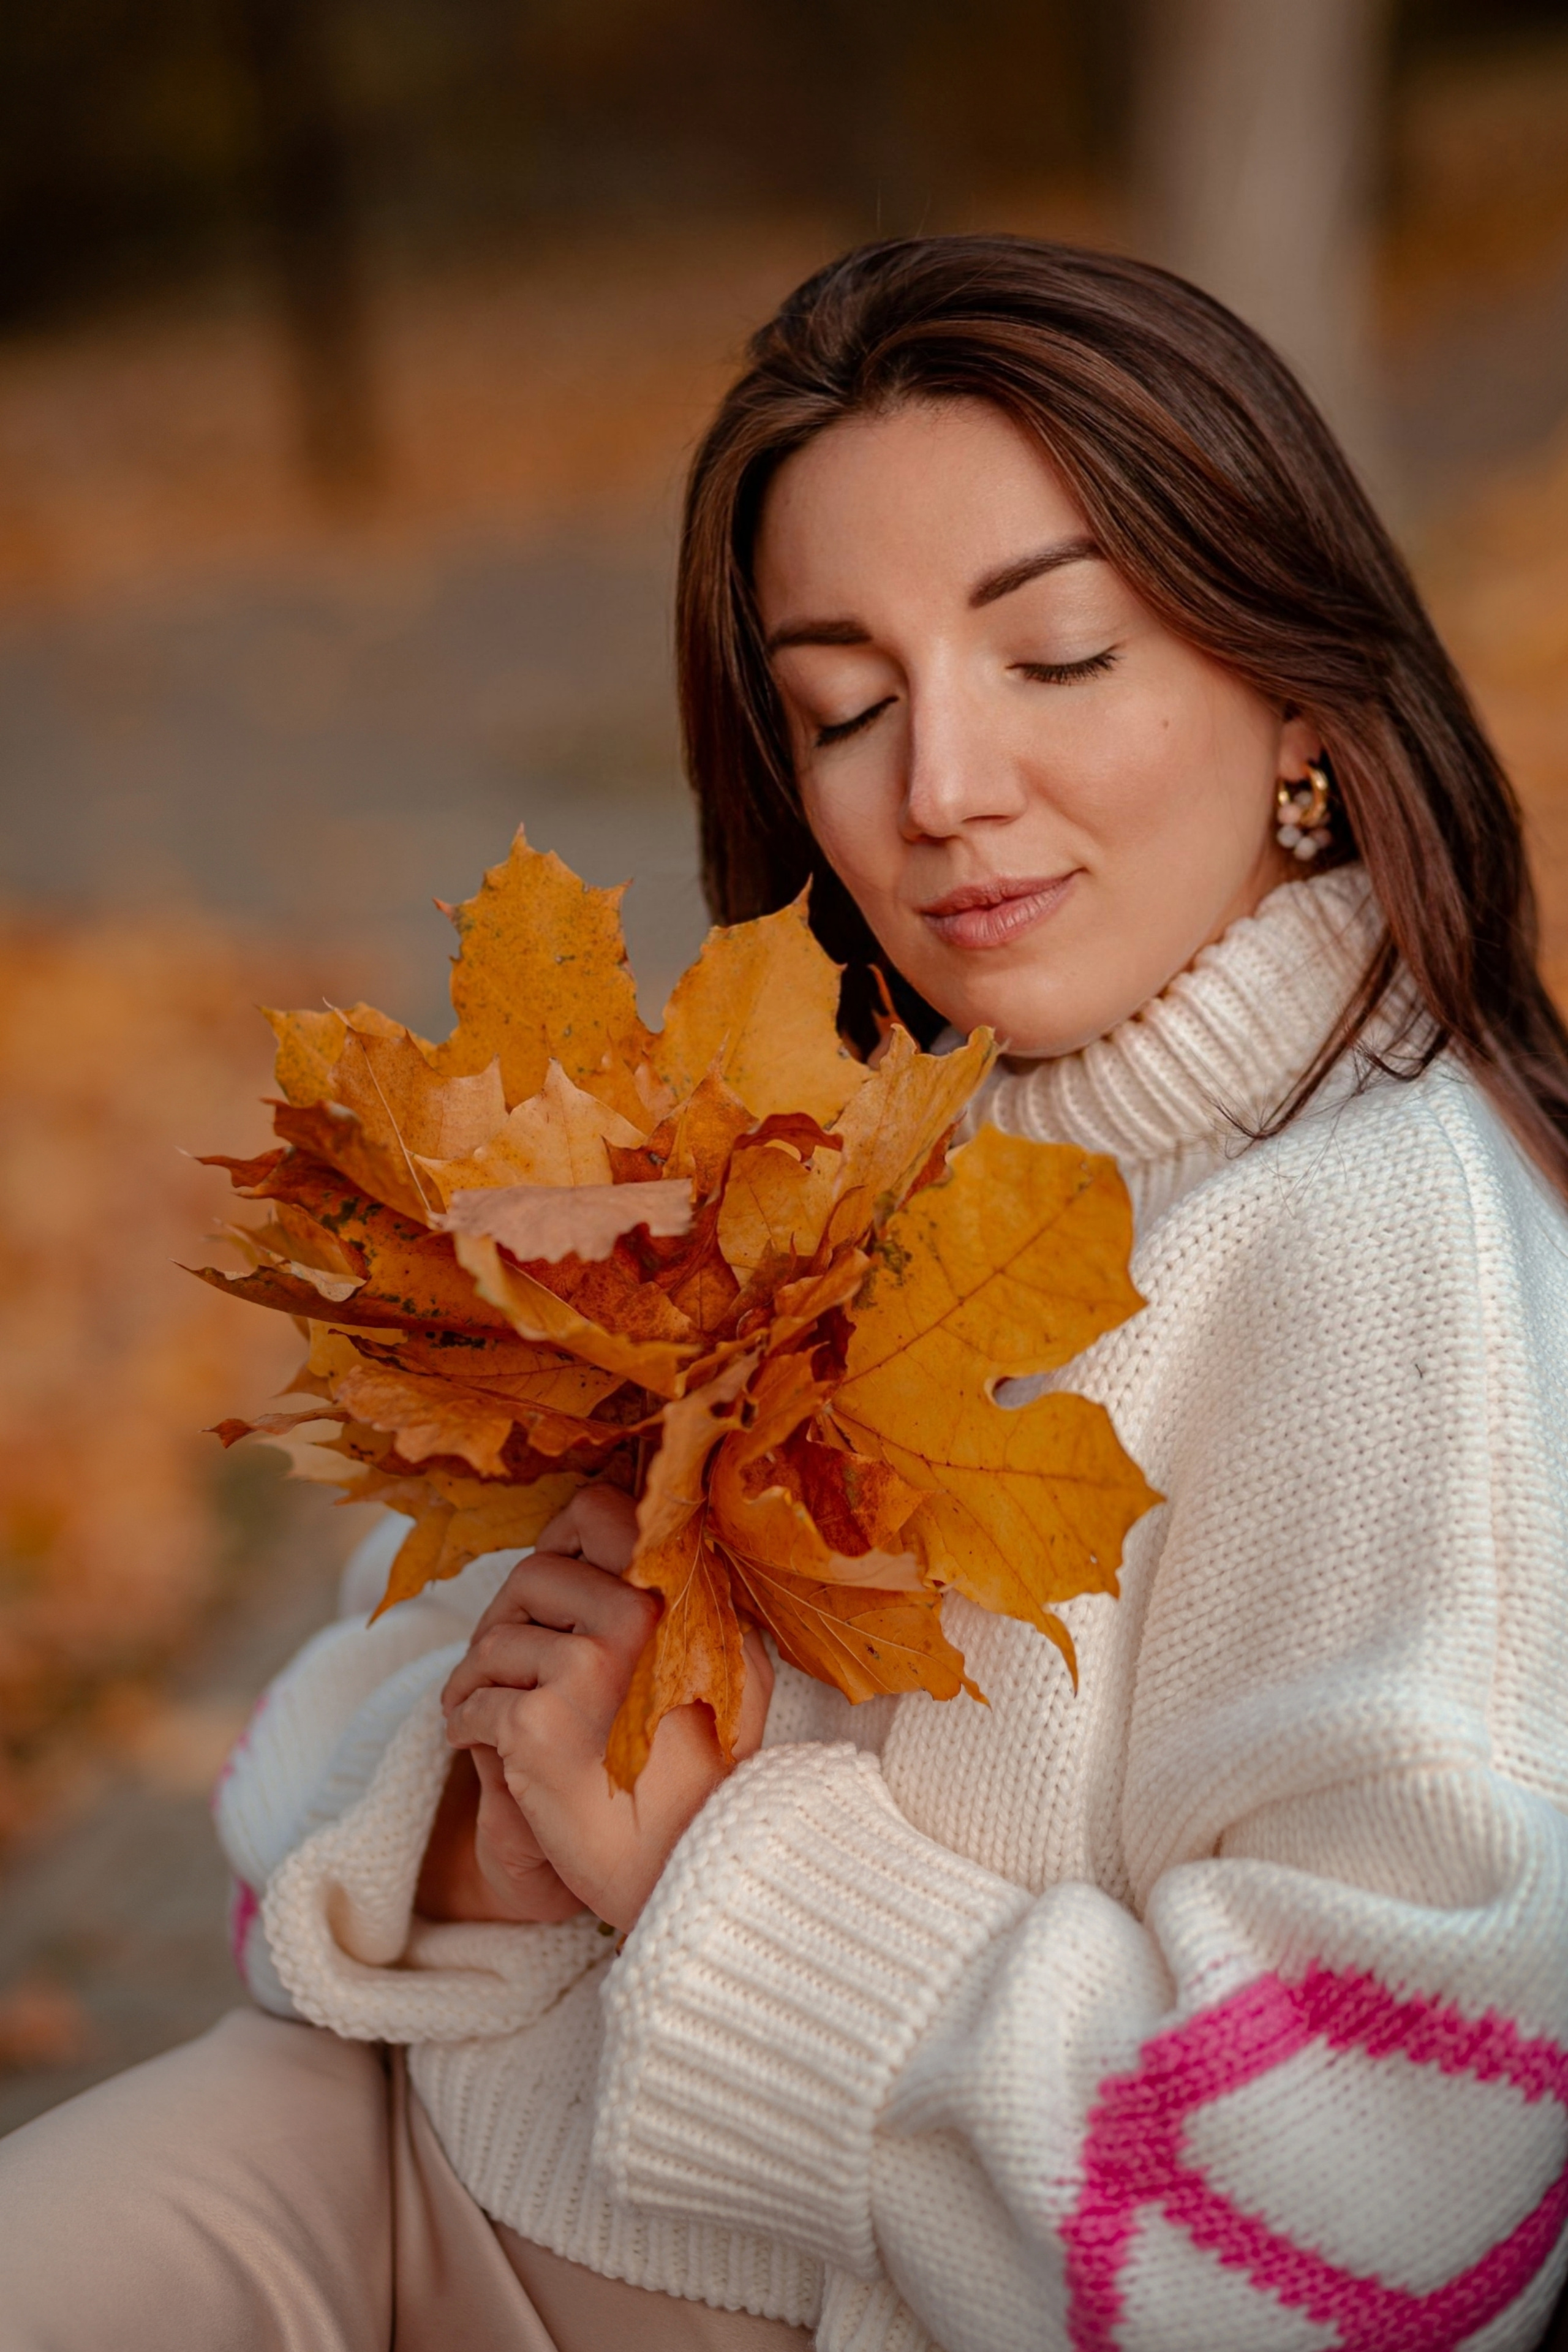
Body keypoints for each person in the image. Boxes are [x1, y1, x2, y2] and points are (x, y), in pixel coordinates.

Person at [4, 234, 1567, 2352]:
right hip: (364, 2166)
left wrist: (721, 1873)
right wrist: (474, 1841)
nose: (939, 793)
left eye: (1059, 656)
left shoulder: (1391, 1249)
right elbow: (313, 1786)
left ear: (1294, 682)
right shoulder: (826, 1131)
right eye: (845, 704)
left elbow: (1389, 2219)